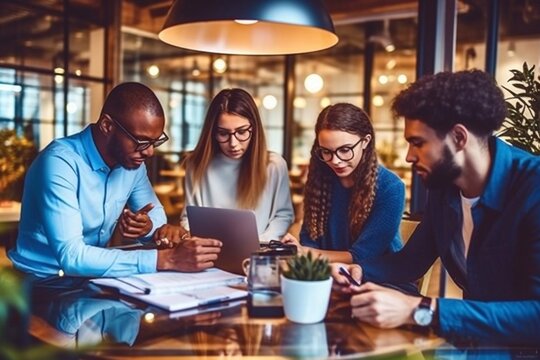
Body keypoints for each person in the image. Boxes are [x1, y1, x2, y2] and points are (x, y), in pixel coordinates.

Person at [333, 70, 540, 346]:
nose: (408, 156)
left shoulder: (533, 189)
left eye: (417, 143)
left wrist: (419, 309)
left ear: (458, 137)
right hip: (476, 342)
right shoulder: (445, 190)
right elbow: (410, 262)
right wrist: (358, 270)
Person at [9, 82, 221, 279]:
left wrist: (148, 228)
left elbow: (157, 214)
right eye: (141, 141)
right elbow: (72, 256)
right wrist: (167, 259)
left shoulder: (132, 164)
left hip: (91, 279)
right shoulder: (59, 163)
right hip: (40, 282)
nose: (149, 152)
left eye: (155, 142)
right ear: (107, 126)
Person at [282, 103, 406, 264]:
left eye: (345, 150)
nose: (335, 161)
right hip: (327, 274)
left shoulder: (391, 187)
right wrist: (301, 250)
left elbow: (362, 256)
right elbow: (309, 240)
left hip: (377, 279)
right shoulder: (320, 179)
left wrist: (306, 253)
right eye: (326, 151)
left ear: (365, 141)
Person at [179, 88, 294, 243]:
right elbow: (188, 217)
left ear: (254, 128)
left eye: (241, 132)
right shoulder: (196, 164)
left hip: (260, 251)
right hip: (208, 253)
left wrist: (259, 243)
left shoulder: (274, 165)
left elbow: (283, 215)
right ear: (212, 132)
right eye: (223, 133)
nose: (233, 143)